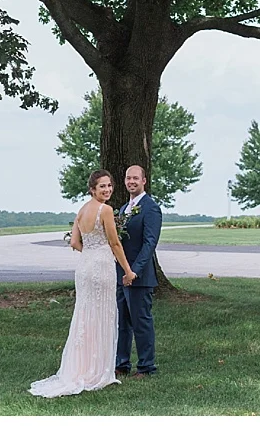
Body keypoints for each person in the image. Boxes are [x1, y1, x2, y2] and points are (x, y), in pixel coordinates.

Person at [30, 170, 136, 397]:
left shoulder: (81, 211)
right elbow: (115, 243)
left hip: (85, 266)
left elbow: (75, 243)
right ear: (92, 189)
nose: (107, 190)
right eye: (102, 187)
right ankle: (98, 371)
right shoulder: (105, 210)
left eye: (109, 185)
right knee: (102, 314)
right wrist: (128, 270)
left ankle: (79, 367)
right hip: (101, 267)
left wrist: (91, 253)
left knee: (86, 314)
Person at [115, 165, 163, 378]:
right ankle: (122, 363)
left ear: (144, 181)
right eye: (128, 178)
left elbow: (149, 243)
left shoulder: (151, 208)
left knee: (141, 322)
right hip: (120, 275)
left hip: (139, 277)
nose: (131, 181)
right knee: (122, 323)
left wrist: (134, 271)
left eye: (135, 178)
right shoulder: (124, 208)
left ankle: (146, 366)